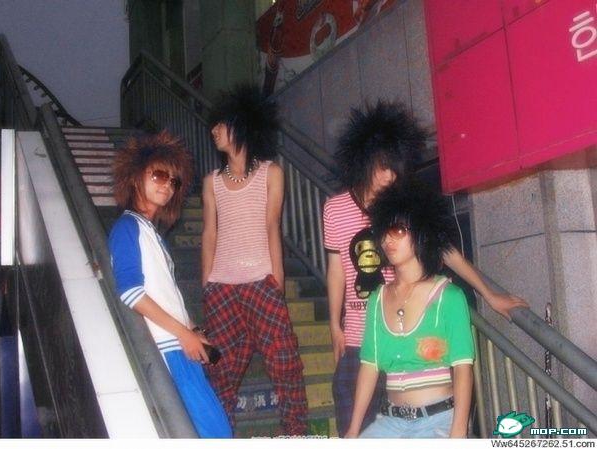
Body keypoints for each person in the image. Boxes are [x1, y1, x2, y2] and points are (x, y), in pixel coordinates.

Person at [323, 101, 528, 437]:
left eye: (395, 170)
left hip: (407, 335)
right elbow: (336, 270)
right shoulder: (335, 209)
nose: (389, 176)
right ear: (364, 161)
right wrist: (334, 323)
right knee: (350, 424)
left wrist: (489, 295)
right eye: (383, 167)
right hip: (361, 334)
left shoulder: (403, 208)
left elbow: (445, 251)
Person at [108, 131, 232, 438]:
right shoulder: (127, 227)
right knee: (214, 433)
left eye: (174, 181)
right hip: (167, 349)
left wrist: (191, 329)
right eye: (159, 175)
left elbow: (164, 293)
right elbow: (130, 292)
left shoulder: (150, 231)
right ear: (135, 177)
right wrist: (183, 334)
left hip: (178, 346)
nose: (167, 185)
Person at [201, 85, 307, 435]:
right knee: (220, 373)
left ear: (242, 126)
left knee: (285, 364)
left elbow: (272, 225)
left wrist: (278, 279)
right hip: (222, 287)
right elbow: (210, 234)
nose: (214, 130)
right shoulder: (211, 182)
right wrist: (207, 284)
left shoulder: (270, 173)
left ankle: (295, 434)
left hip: (262, 282)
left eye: (221, 124)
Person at [346, 181, 474, 438]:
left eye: (398, 229)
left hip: (439, 421)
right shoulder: (377, 299)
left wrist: (458, 432)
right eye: (384, 230)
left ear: (422, 233)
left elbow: (463, 369)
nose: (387, 239)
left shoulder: (449, 298)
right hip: (390, 423)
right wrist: (353, 431)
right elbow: (369, 367)